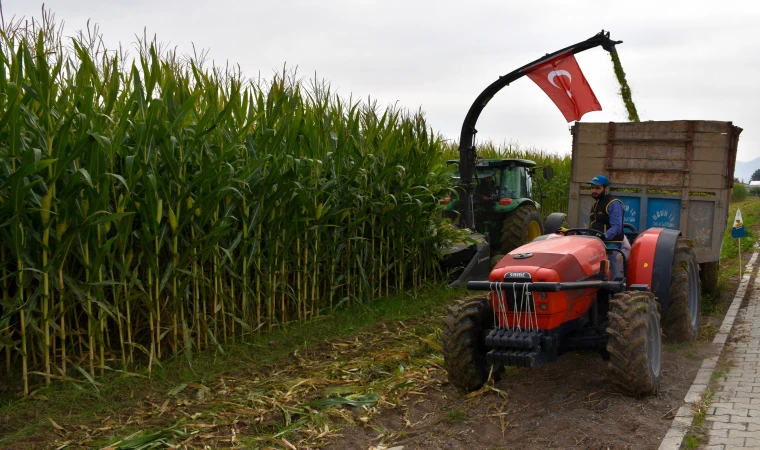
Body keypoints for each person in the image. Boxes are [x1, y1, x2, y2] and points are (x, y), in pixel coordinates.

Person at [587, 175, 631, 280]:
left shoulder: (613, 204)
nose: (594, 190)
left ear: (606, 189)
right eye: (592, 188)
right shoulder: (596, 205)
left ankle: (616, 288)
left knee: (611, 270)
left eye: (597, 188)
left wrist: (604, 236)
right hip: (597, 242)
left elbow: (617, 226)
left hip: (611, 243)